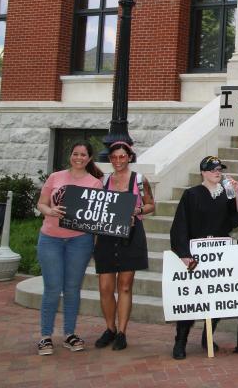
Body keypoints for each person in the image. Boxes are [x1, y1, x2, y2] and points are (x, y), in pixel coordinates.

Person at [169, 156, 238, 359]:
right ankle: (180, 341)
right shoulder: (192, 194)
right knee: (191, 300)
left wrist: (236, 194)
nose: (217, 172)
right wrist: (184, 254)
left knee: (216, 297)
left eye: (219, 169)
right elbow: (180, 225)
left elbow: (235, 219)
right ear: (203, 172)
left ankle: (208, 335)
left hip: (218, 254)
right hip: (197, 253)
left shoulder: (226, 193)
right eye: (212, 169)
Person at [34, 142, 104, 356]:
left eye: (83, 154)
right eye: (75, 154)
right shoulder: (55, 177)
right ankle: (45, 336)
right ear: (70, 156)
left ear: (89, 158)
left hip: (79, 241)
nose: (79, 157)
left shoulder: (95, 183)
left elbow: (97, 216)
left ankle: (69, 334)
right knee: (52, 288)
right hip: (50, 239)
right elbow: (41, 204)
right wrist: (51, 210)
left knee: (73, 289)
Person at [93, 141, 155, 352]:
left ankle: (122, 332)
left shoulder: (139, 180)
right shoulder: (103, 181)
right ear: (109, 159)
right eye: (114, 157)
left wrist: (136, 211)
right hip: (107, 235)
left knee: (125, 285)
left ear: (129, 157)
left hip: (131, 234)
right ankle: (110, 328)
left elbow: (150, 204)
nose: (118, 161)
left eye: (122, 157)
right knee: (105, 287)